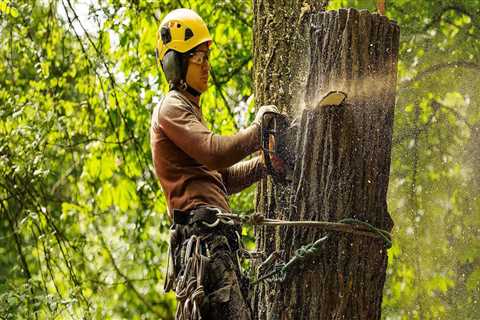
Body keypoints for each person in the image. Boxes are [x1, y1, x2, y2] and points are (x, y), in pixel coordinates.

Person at [150, 8, 277, 320]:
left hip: (217, 238)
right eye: (198, 58)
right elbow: (214, 152)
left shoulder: (190, 111)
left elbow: (222, 178)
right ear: (176, 63)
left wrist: (265, 164)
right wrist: (257, 130)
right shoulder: (171, 108)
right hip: (203, 240)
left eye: (207, 57)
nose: (206, 66)